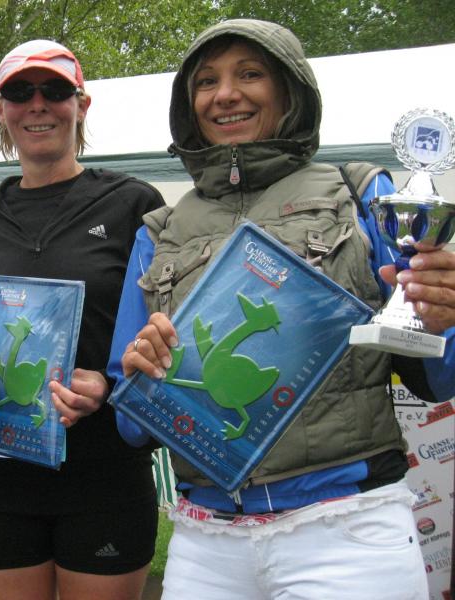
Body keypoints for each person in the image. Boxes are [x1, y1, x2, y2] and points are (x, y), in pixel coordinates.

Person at [107, 19, 455, 600]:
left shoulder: (360, 193)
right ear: (188, 104)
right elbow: (130, 425)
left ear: (291, 90)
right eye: (206, 81)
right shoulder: (160, 231)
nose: (225, 94)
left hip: (346, 528)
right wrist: (143, 374)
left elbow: (437, 379)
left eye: (250, 74)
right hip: (207, 542)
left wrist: (444, 319)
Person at [0, 40, 165, 600]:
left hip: (103, 471)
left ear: (81, 104)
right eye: (19, 92)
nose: (37, 104)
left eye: (54, 90)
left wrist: (109, 387)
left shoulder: (133, 203)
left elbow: (158, 339)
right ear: (1, 110)